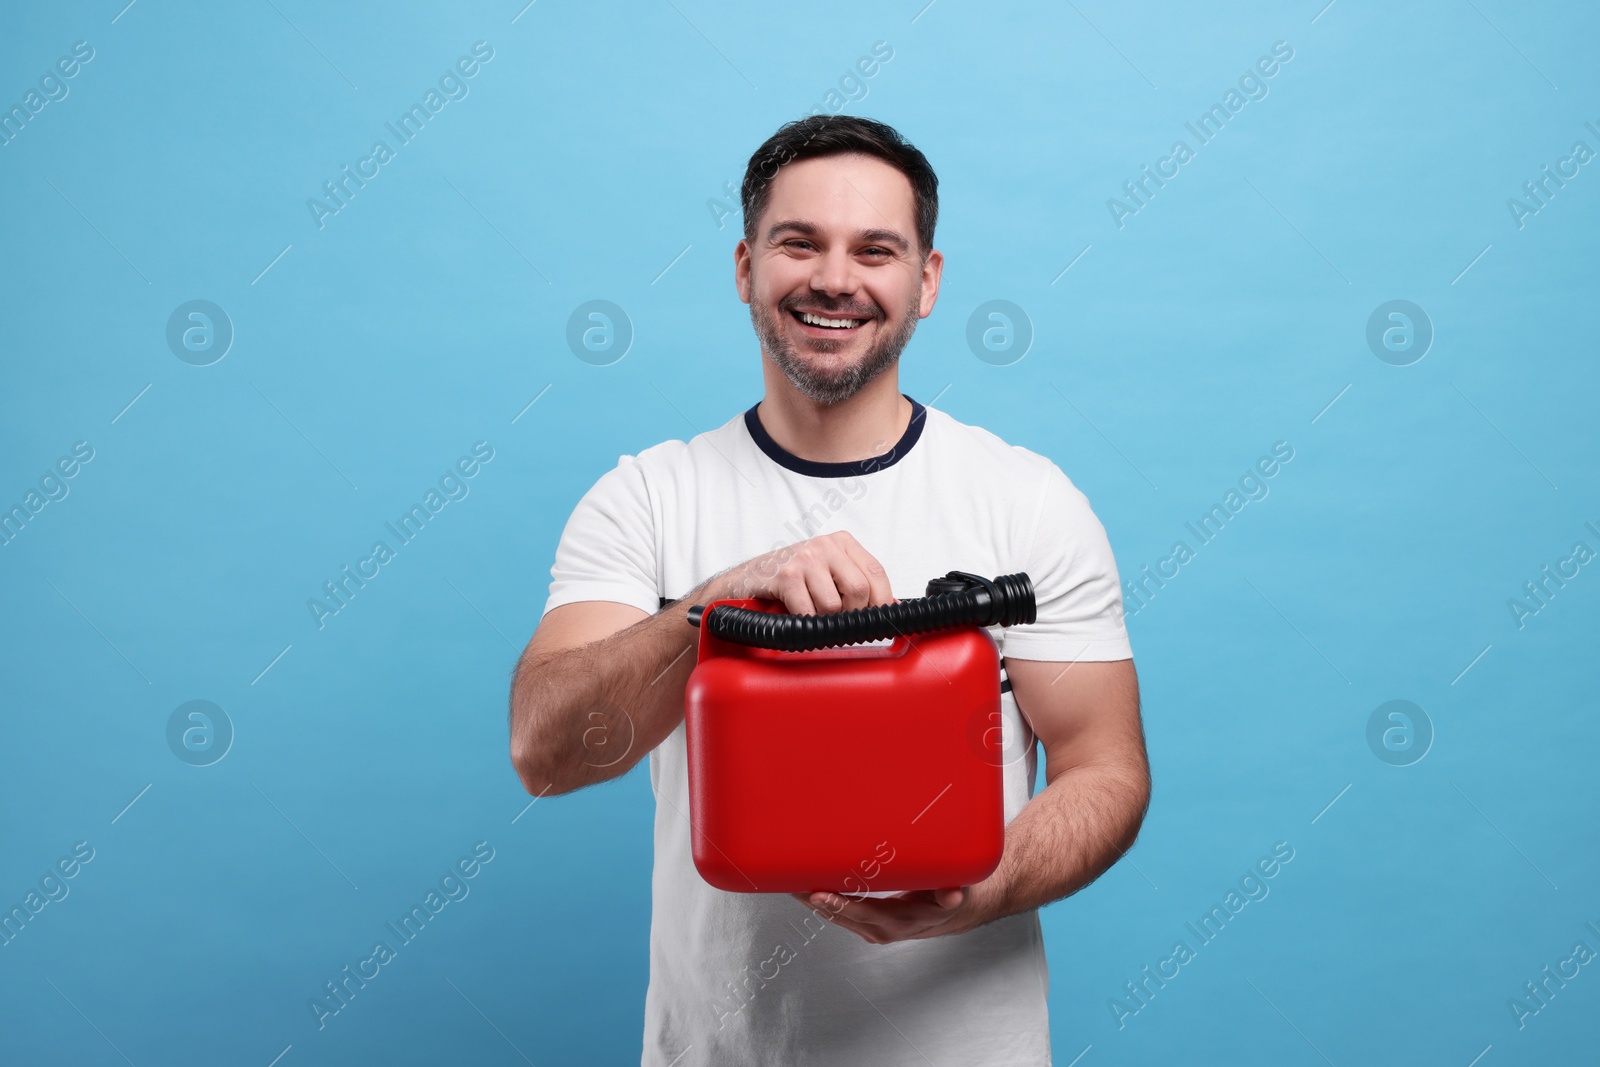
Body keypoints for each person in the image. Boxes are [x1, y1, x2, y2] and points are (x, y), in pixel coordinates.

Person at [509, 114, 1149, 1066]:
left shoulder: (1027, 502)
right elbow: (547, 752)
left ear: (926, 282)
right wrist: (715, 603)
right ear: (744, 267)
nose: (834, 279)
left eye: (875, 250)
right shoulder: (646, 497)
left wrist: (988, 882)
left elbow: (1108, 768)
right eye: (798, 243)